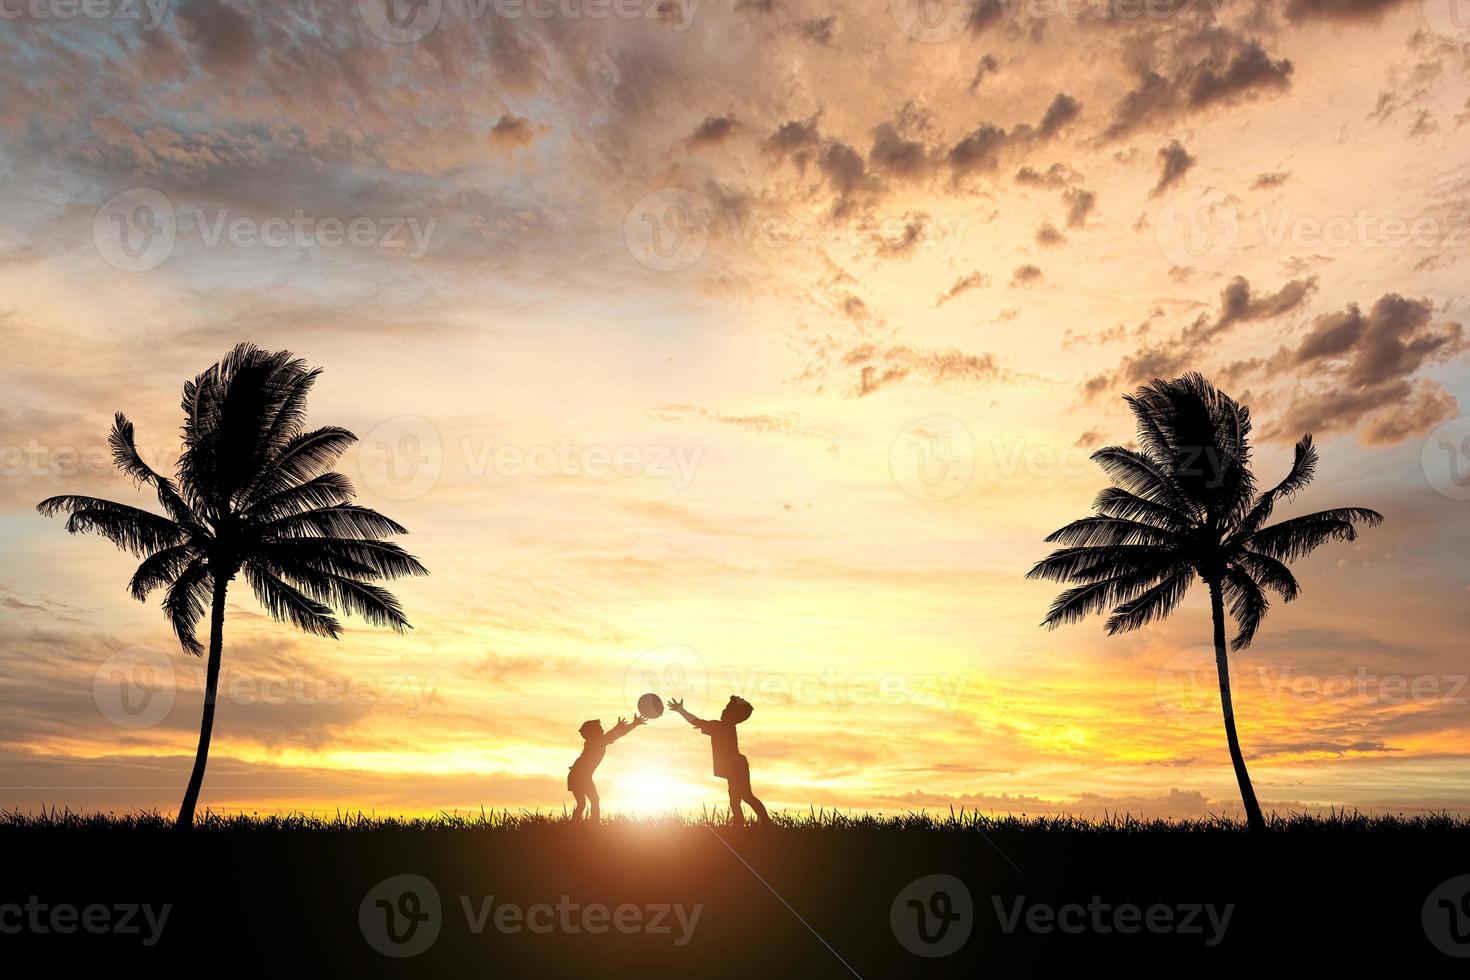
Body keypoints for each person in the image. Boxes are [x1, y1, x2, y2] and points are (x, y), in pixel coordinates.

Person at [668, 695, 769, 826]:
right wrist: (705, 725)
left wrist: (681, 710)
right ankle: (740, 823)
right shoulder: (724, 727)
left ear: (732, 714)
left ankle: (763, 822)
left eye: (726, 709)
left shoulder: (720, 726)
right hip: (736, 765)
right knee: (736, 797)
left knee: (745, 796)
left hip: (735, 765)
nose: (723, 710)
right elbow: (700, 723)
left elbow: (696, 721)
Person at [567, 714, 645, 821]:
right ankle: (595, 825)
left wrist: (624, 726)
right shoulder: (597, 742)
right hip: (580, 776)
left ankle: (577, 825)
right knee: (593, 800)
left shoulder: (596, 741)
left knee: (583, 804)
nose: (601, 729)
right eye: (599, 728)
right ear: (594, 732)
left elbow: (614, 734)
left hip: (576, 775)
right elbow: (615, 734)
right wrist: (632, 724)